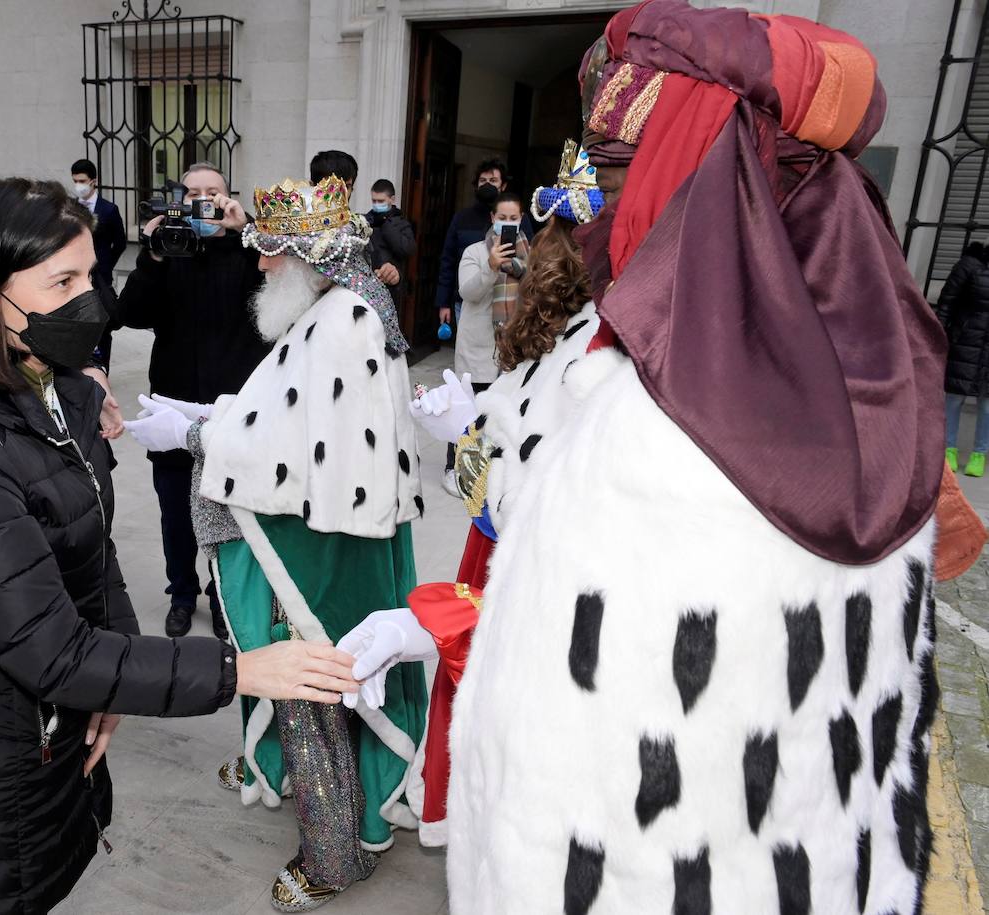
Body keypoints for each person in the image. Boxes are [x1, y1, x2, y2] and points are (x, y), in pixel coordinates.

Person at [351, 5, 948, 911]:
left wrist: (443, 626)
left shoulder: (653, 442)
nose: (597, 207)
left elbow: (584, 691)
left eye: (619, 170)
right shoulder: (872, 392)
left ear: (692, 180)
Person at [0, 176, 360, 915]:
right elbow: (48, 648)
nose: (94, 301)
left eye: (92, 274)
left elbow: (89, 545)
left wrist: (113, 673)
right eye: (64, 280)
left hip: (53, 732)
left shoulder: (45, 382)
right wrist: (237, 670)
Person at [125, 172, 428, 911]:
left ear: (308, 256)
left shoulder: (346, 318)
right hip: (315, 527)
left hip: (315, 548)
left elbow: (294, 442)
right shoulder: (336, 303)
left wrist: (192, 431)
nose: (258, 264)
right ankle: (278, 765)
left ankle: (335, 852)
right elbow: (293, 413)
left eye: (271, 252)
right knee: (281, 665)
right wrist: (207, 412)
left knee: (305, 673)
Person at [342, 140, 605, 847]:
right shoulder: (554, 350)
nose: (541, 253)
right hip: (489, 555)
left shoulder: (597, 369)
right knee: (469, 698)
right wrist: (470, 430)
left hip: (526, 581)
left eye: (554, 239)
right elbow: (493, 484)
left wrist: (474, 442)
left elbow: (553, 530)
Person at [116, 161, 271, 638]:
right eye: (193, 192)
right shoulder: (168, 253)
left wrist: (245, 235)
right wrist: (153, 253)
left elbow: (275, 305)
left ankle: (222, 596)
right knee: (175, 512)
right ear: (179, 200)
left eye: (214, 192)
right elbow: (128, 313)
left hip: (234, 410)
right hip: (174, 405)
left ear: (228, 198)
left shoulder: (249, 252)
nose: (204, 199)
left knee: (230, 513)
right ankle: (181, 594)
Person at [438, 190, 530, 496]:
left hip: (512, 347)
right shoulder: (475, 252)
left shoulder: (528, 254)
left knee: (500, 411)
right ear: (492, 218)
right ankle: (456, 469)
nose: (507, 223)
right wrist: (491, 267)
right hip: (479, 345)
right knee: (469, 410)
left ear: (521, 220)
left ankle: (489, 470)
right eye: (501, 218)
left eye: (513, 219)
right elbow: (468, 292)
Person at [434, 157, 537, 332]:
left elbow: (531, 257)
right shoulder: (461, 218)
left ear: (503, 186)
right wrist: (443, 302)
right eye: (483, 181)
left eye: (493, 180)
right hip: (469, 300)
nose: (487, 184)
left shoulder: (520, 221)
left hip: (511, 303)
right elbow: (448, 262)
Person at [937, 241, 989, 476]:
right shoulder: (969, 265)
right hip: (966, 341)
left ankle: (979, 454)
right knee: (955, 397)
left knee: (987, 404)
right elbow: (948, 300)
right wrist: (941, 333)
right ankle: (948, 449)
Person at [70, 157, 127, 287]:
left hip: (101, 277)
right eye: (75, 181)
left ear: (93, 181)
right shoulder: (70, 207)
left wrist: (106, 264)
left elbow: (120, 243)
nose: (78, 185)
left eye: (82, 181)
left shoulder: (109, 209)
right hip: (74, 274)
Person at [366, 178, 415, 298]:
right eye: (374, 201)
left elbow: (407, 249)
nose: (377, 204)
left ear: (392, 200)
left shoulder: (401, 224)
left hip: (390, 287)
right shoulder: (366, 221)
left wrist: (386, 224)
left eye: (381, 201)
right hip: (367, 284)